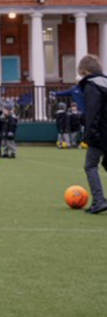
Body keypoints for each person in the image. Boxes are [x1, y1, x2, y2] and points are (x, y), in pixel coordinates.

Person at [77, 54, 107, 214]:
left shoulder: (91, 86)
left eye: (82, 74)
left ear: (86, 72)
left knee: (90, 165)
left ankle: (99, 201)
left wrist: (91, 135)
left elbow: (93, 112)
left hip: (101, 133)